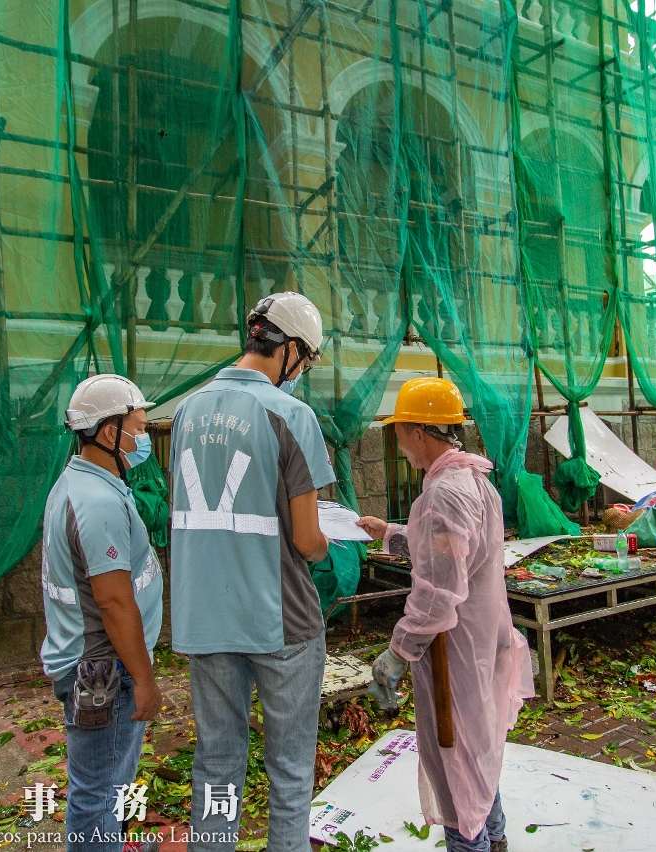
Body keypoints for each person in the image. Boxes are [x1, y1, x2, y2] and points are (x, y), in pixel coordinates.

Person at [170, 291, 334, 851]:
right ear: (289, 349)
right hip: (279, 618)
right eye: (306, 360)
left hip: (207, 617)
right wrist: (330, 543)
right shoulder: (291, 415)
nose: (303, 372)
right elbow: (308, 541)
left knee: (216, 765)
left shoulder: (187, 411)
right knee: (290, 769)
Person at [357, 377, 534, 852]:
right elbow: (449, 549)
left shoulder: (443, 493)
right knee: (477, 755)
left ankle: (472, 842)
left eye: (399, 431)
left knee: (456, 764)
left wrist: (398, 652)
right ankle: (495, 837)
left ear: (418, 431)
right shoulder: (472, 481)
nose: (398, 443)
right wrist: (390, 532)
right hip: (480, 640)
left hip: (453, 653)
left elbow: (437, 594)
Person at [40, 374, 164, 852]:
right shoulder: (97, 502)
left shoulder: (82, 483)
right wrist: (145, 679)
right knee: (98, 790)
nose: (144, 438)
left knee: (111, 779)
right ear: (110, 432)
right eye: (140, 428)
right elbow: (113, 602)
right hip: (104, 671)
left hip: (94, 661)